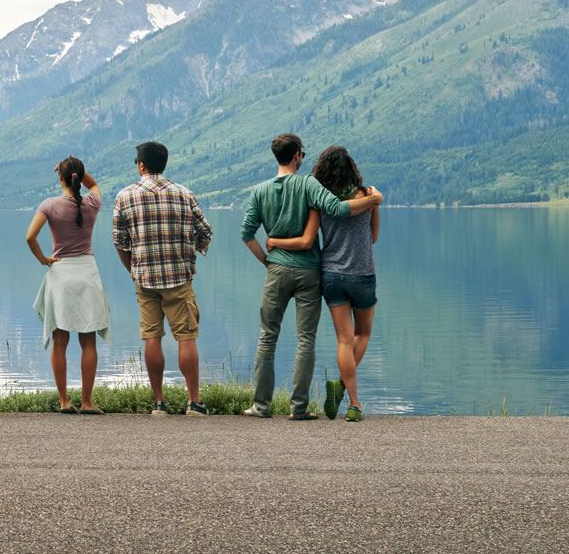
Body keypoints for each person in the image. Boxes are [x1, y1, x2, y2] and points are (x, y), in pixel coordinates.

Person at [239, 134, 382, 420]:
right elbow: (343, 214)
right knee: (307, 340)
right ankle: (299, 408)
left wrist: (269, 261)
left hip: (285, 270)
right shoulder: (309, 186)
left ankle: (260, 406)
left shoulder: (259, 191)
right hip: (312, 272)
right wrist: (374, 199)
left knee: (267, 338)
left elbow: (246, 233)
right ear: (297, 156)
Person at [111, 141, 214, 416]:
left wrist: (133, 268)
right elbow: (205, 231)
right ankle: (194, 402)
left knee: (152, 336)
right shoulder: (184, 193)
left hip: (144, 278)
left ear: (141, 165)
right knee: (186, 337)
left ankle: (159, 403)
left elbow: (119, 241)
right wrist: (190, 252)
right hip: (179, 277)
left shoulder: (125, 196)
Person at [26, 156, 111, 414]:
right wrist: (78, 169)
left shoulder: (49, 205)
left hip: (61, 274)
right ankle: (87, 402)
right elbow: (93, 184)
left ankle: (64, 401)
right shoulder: (93, 203)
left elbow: (30, 236)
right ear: (80, 177)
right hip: (87, 273)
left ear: (60, 178)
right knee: (89, 341)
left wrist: (44, 259)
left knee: (59, 340)